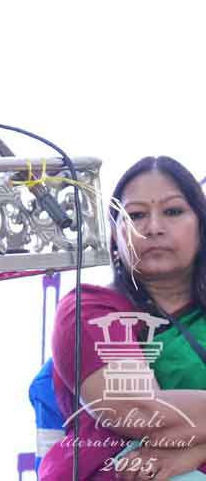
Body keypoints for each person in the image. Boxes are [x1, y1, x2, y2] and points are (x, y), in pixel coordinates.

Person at [41, 156, 206, 480]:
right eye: (136, 215)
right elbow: (140, 411)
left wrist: (195, 452)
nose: (154, 228)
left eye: (173, 211)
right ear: (115, 237)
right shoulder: (90, 311)